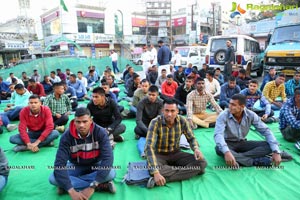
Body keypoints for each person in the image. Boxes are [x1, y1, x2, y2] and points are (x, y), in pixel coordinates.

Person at [49, 107, 116, 198]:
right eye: (78, 122)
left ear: (91, 121)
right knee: (53, 178)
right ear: (74, 121)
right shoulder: (66, 136)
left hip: (96, 164)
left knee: (111, 172)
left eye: (85, 122)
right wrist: (71, 190)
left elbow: (108, 159)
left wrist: (92, 187)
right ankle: (100, 185)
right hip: (76, 165)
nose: (81, 125)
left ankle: (66, 184)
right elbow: (59, 164)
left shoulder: (101, 132)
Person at [214, 94, 292, 168]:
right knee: (219, 148)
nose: (230, 107)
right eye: (230, 104)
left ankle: (238, 157)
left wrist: (276, 151)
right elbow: (218, 135)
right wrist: (227, 152)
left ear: (242, 106)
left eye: (233, 105)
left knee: (269, 146)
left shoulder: (251, 115)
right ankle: (255, 161)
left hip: (242, 143)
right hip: (228, 143)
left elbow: (266, 131)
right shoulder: (223, 115)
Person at [145, 99, 207, 188]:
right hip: (159, 155)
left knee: (202, 163)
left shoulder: (182, 121)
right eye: (166, 110)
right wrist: (156, 172)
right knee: (154, 170)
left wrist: (196, 149)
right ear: (163, 110)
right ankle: (192, 171)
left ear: (177, 111)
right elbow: (149, 147)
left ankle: (166, 179)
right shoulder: (155, 122)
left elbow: (191, 138)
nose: (169, 114)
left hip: (176, 153)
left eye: (172, 111)